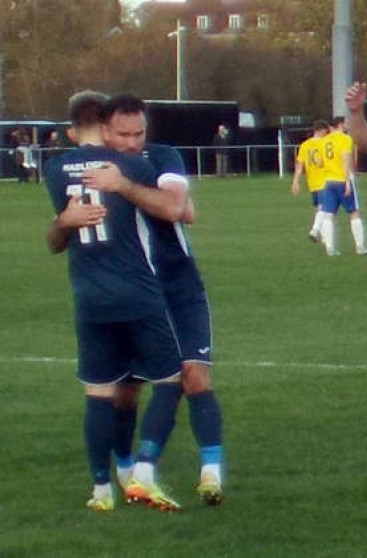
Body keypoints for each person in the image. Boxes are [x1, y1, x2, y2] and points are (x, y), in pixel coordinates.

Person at [43, 91, 185, 512]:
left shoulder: (53, 169)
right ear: (106, 127)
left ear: (70, 131)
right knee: (169, 380)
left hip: (88, 295)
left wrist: (64, 221)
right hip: (137, 290)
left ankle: (101, 490)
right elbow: (170, 207)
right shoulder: (131, 165)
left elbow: (56, 240)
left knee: (98, 392)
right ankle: (143, 469)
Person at [81, 93, 225, 506]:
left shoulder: (161, 156)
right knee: (127, 392)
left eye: (138, 133)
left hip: (178, 285)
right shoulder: (93, 170)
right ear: (106, 131)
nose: (132, 143)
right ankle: (128, 473)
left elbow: (177, 205)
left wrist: (125, 186)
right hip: (129, 291)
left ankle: (210, 474)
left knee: (194, 375)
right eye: (123, 134)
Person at [320, 117, 367, 255]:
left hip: (328, 180)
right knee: (354, 212)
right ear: (340, 125)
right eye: (346, 123)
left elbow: (319, 161)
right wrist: (348, 181)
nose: (347, 125)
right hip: (342, 180)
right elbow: (346, 160)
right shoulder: (345, 139)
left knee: (328, 214)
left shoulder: (324, 141)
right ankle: (360, 246)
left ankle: (330, 248)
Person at [291, 120, 334, 252]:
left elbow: (299, 166)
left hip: (312, 182)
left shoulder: (304, 145)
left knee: (319, 209)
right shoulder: (323, 144)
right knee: (325, 209)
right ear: (321, 130)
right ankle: (315, 230)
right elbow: (321, 161)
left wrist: (296, 182)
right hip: (324, 180)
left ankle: (325, 237)